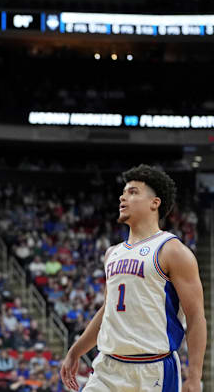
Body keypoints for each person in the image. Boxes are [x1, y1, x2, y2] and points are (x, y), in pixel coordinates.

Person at [60, 165, 206, 392]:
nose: (123, 196)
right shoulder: (112, 253)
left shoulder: (172, 250)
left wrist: (195, 376)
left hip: (152, 369)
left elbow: (196, 317)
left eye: (133, 192)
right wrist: (75, 351)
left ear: (154, 203)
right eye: (123, 192)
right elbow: (107, 310)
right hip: (107, 367)